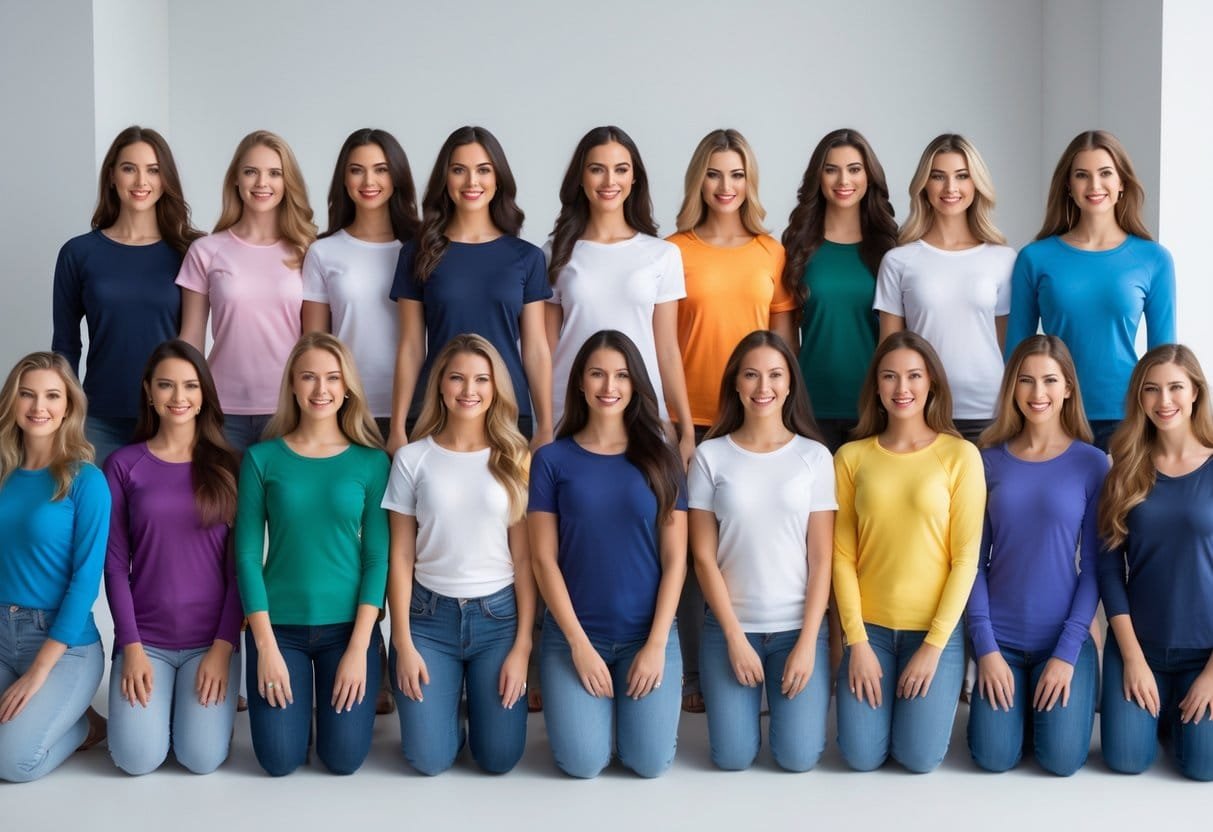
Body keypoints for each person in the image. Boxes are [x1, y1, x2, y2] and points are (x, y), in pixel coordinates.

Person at [667, 128, 798, 714]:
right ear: (700, 179)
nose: (726, 186)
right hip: (689, 419)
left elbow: (782, 346)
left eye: (737, 174)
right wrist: (677, 427)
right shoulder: (673, 249)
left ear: (751, 182)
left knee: (757, 540)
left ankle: (766, 656)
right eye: (715, 174)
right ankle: (694, 672)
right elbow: (664, 341)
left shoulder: (770, 251)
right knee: (694, 549)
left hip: (757, 414)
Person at [529, 330, 686, 778]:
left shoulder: (663, 458)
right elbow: (544, 560)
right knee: (583, 764)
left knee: (648, 764)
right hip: (575, 636)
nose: (608, 386)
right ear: (579, 382)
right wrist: (578, 645)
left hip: (647, 634)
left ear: (636, 384)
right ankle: (580, 714)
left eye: (620, 375)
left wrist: (657, 644)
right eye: (597, 374)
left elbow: (677, 560)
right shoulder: (551, 460)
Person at [234, 332, 389, 776]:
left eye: (332, 378)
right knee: (279, 761)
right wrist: (264, 645)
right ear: (293, 387)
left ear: (347, 388)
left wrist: (361, 647)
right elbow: (246, 556)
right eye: (309, 378)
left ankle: (318, 711)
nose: (321, 390)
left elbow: (377, 558)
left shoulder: (372, 462)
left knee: (343, 761)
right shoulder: (261, 459)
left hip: (347, 632)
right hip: (278, 630)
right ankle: (297, 715)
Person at [833, 330, 985, 772]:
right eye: (890, 377)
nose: (903, 389)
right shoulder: (850, 457)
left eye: (914, 376)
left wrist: (934, 645)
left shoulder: (961, 455)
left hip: (933, 634)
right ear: (876, 387)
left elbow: (966, 560)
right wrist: (856, 642)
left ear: (932, 383)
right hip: (871, 633)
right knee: (861, 758)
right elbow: (842, 557)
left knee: (918, 760)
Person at [383, 334, 534, 774]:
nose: (469, 390)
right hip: (429, 621)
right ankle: (445, 718)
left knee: (499, 759)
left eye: (481, 379)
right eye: (457, 378)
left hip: (498, 620)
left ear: (495, 388)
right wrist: (403, 640)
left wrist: (522, 646)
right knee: (429, 761)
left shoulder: (516, 456)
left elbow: (525, 561)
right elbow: (400, 558)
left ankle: (476, 717)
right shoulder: (413, 459)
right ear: (440, 386)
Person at [689, 331, 835, 771]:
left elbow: (822, 558)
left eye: (774, 375)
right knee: (732, 758)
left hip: (797, 628)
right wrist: (733, 636)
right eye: (751, 375)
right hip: (731, 628)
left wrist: (810, 642)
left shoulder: (814, 456)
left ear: (790, 383)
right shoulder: (710, 456)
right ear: (736, 383)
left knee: (797, 759)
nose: (763, 387)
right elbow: (702, 556)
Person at [965, 335, 1106, 775]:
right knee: (993, 759)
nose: (1038, 393)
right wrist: (985, 649)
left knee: (1060, 762)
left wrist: (1066, 654)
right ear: (1012, 389)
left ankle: (1047, 698)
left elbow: (1095, 568)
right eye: (1026, 381)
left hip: (1061, 640)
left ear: (1068, 388)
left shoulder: (1092, 463)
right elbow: (972, 562)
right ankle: (1020, 708)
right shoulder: (986, 461)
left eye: (1049, 380)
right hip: (1000, 643)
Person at [103, 340, 242, 775]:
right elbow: (113, 564)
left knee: (199, 759)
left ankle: (195, 714)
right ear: (149, 392)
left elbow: (241, 568)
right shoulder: (124, 465)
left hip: (210, 642)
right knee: (135, 760)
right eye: (166, 386)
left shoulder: (230, 465)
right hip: (146, 642)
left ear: (204, 394)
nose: (178, 398)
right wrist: (131, 647)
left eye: (189, 386)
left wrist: (223, 648)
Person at [1005, 130, 1176, 451]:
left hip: (1126, 416)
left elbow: (1164, 356)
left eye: (1105, 173)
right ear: (1068, 186)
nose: (1095, 186)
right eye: (1082, 175)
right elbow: (1017, 352)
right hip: (1053, 413)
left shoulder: (1154, 259)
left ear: (1122, 182)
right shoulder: (1035, 257)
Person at [390, 126, 552, 451]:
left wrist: (545, 424)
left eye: (483, 170)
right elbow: (410, 346)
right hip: (436, 410)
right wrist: (396, 425)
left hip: (508, 411)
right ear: (445, 179)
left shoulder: (527, 258)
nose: (471, 182)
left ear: (498, 178)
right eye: (459, 170)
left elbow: (535, 348)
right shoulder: (418, 253)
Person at [545, 126, 695, 466]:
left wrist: (683, 427)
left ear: (634, 179)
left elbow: (667, 348)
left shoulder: (662, 255)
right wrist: (543, 421)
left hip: (642, 410)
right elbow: (545, 348)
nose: (609, 181)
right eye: (597, 169)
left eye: (621, 169)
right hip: (568, 411)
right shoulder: (554, 254)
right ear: (580, 179)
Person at [52, 126, 203, 464]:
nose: (140, 181)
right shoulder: (78, 253)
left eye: (153, 170)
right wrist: (62, 412)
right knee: (100, 516)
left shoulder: (189, 252)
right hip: (99, 418)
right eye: (129, 168)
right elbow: (65, 344)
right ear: (111, 176)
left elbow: (193, 340)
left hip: (170, 415)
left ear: (166, 179)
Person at [1098, 344, 1213, 781]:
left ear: (1196, 393)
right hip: (1139, 646)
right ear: (1139, 398)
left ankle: (1175, 713)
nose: (1164, 401)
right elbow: (1110, 572)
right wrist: (1132, 658)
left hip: (1205, 654)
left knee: (1204, 768)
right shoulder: (1124, 468)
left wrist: (1211, 677)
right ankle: (1163, 711)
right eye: (1152, 390)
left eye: (1175, 388)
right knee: (1126, 761)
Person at [0, 352, 109, 782]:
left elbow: (86, 583)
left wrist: (39, 671)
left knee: (12, 763)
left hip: (63, 646)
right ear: (12, 401)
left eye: (51, 395)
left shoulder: (86, 480)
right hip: (1, 634)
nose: (38, 407)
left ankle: (85, 724)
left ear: (68, 406)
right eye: (27, 395)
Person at [177, 130, 317, 451]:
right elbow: (191, 339)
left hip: (289, 409)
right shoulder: (206, 250)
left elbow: (315, 340)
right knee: (222, 502)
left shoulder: (308, 251)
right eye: (251, 171)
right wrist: (186, 404)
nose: (261, 183)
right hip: (222, 412)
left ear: (287, 182)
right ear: (236, 180)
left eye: (274, 173)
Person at [874, 134, 1015, 441]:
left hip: (988, 410)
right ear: (925, 185)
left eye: (962, 176)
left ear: (975, 184)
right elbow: (890, 351)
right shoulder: (899, 261)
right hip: (922, 409)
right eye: (939, 177)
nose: (951, 188)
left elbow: (1005, 346)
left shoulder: (1003, 259)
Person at [780, 128, 898, 453]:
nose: (843, 180)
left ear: (869, 176)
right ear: (818, 177)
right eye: (831, 169)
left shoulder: (892, 250)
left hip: (875, 408)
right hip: (809, 408)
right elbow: (787, 340)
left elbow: (897, 339)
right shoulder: (798, 247)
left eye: (854, 169)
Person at [303, 128, 420, 441]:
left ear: (397, 177)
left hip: (420, 410)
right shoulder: (323, 252)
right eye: (357, 170)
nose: (369, 182)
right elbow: (314, 343)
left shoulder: (424, 248)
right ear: (344, 179)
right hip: (346, 408)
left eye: (381, 170)